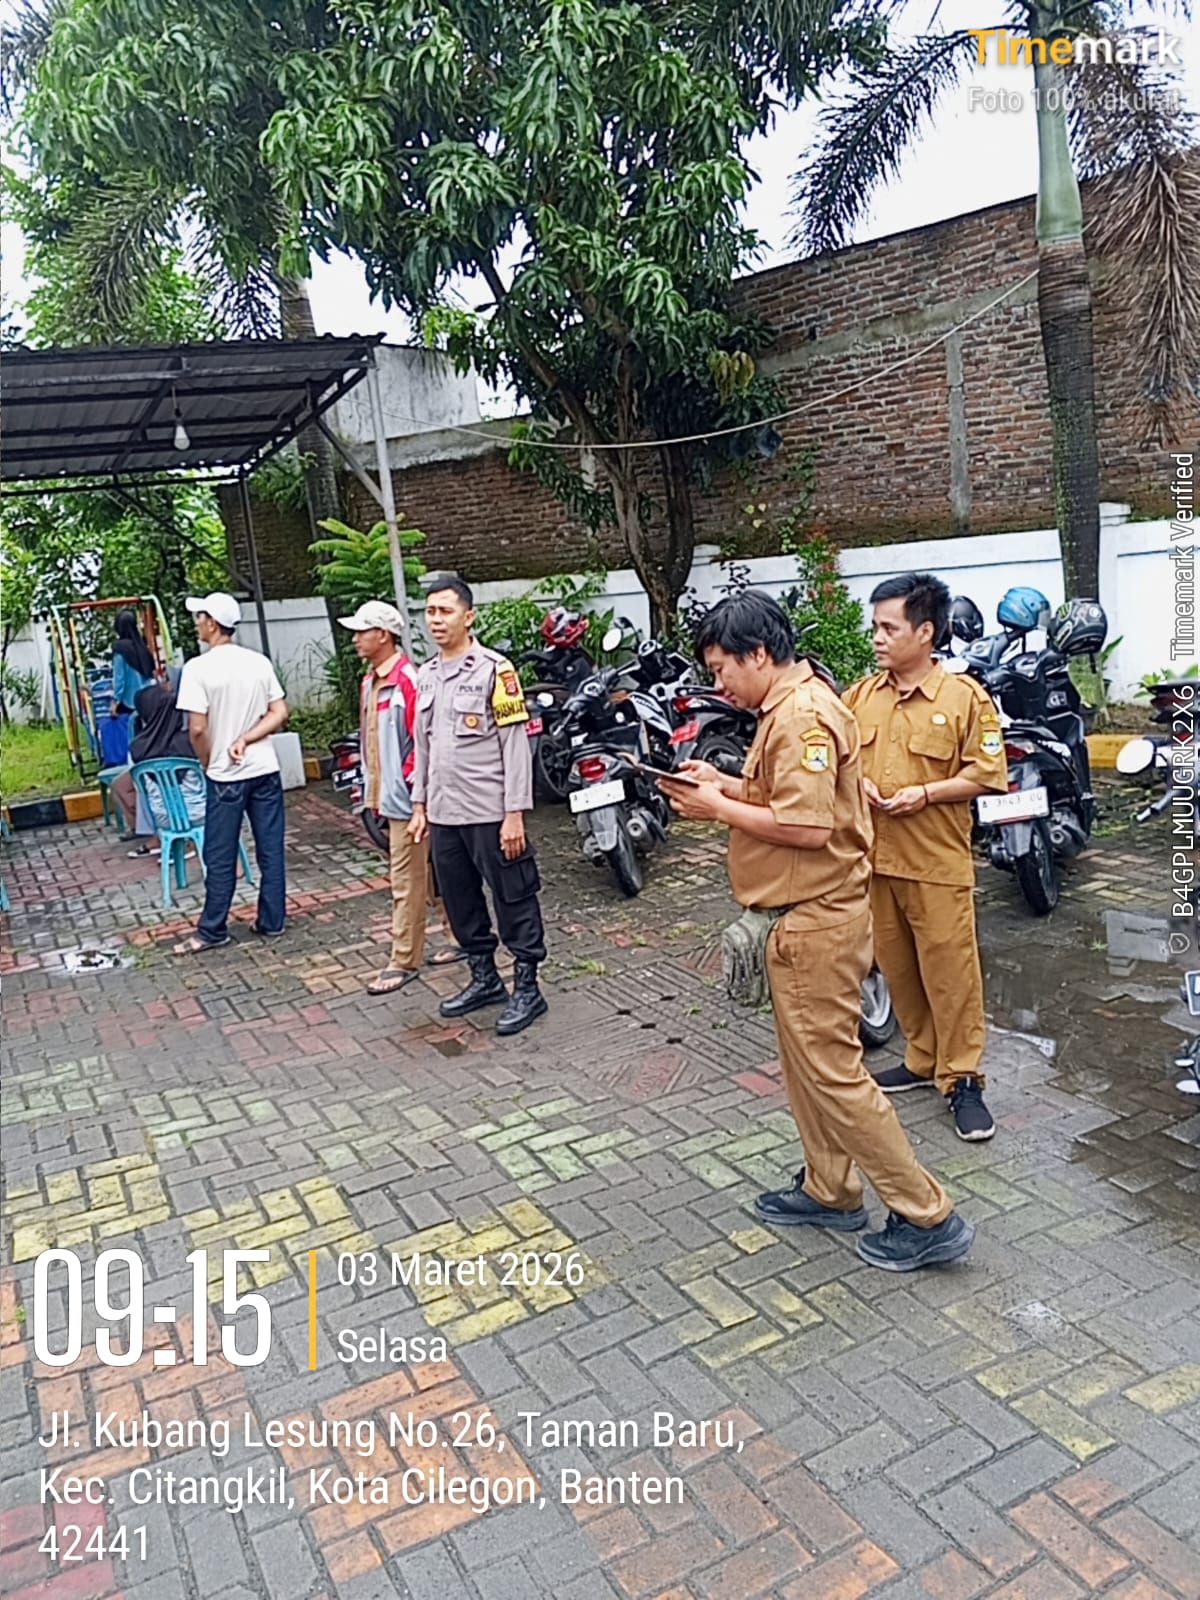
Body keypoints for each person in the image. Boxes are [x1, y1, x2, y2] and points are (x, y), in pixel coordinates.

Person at [661, 591, 974, 1272]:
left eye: (721, 669)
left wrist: (716, 809)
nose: (719, 684)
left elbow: (806, 828)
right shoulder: (790, 706)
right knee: (808, 1069)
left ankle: (926, 1215)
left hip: (816, 920)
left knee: (834, 1075)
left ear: (758, 654)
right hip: (801, 920)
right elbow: (788, 799)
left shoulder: (801, 714)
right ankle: (829, 1188)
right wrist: (722, 783)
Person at [844, 573, 1008, 1142]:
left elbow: (987, 774)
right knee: (898, 968)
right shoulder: (860, 697)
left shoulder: (963, 699)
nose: (877, 638)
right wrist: (858, 783)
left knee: (951, 975)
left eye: (889, 628)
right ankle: (921, 1058)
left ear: (925, 632)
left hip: (935, 864)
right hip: (876, 863)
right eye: (875, 627)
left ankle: (962, 1079)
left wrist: (926, 794)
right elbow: (840, 757)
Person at [408, 576, 548, 1036]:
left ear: (468, 616)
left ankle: (527, 987)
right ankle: (485, 979)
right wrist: (419, 805)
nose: (436, 620)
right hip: (444, 814)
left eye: (445, 611)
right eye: (430, 611)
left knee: (513, 898)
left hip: (490, 813)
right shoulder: (426, 675)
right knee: (460, 901)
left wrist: (514, 814)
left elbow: (515, 745)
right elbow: (423, 748)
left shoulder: (495, 671)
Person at [174, 592, 289, 953]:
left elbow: (196, 729)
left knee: (220, 854)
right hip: (265, 768)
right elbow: (279, 712)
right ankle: (272, 920)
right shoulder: (258, 662)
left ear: (212, 623)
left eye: (200, 617)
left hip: (225, 776)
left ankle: (212, 929)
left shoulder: (197, 669)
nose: (197, 623)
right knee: (271, 849)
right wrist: (248, 737)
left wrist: (208, 761)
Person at [339, 599, 432, 994]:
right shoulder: (370, 682)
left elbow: (421, 742)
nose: (355, 639)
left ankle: (403, 960)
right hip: (391, 797)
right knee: (431, 876)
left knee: (405, 881)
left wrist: (414, 792)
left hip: (409, 801)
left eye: (362, 631)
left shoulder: (408, 679)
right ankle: (461, 938)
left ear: (383, 635)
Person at [113, 678, 205, 852]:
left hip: (162, 820)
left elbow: (141, 790)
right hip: (200, 814)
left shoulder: (137, 748)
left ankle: (158, 839)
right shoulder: (190, 741)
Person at [111, 610, 156, 715]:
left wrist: (115, 701)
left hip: (130, 702)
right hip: (147, 700)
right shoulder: (142, 647)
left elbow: (119, 680)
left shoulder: (120, 649)